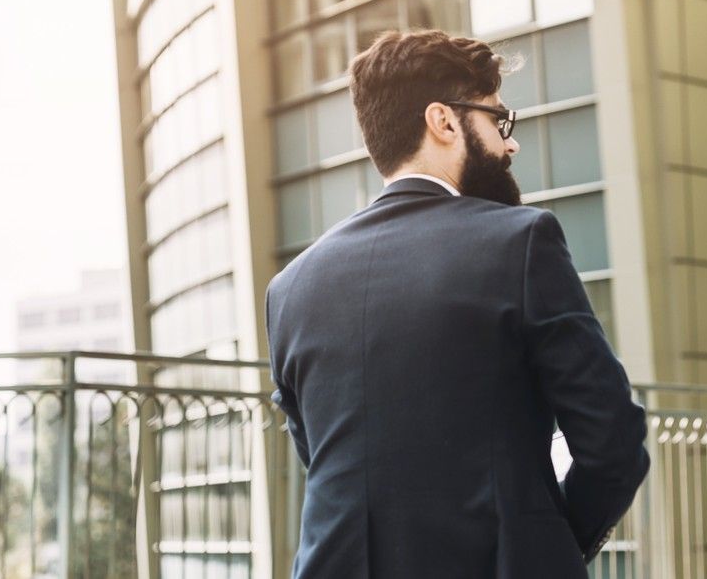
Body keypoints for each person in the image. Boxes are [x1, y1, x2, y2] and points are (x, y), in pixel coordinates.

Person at [265, 29, 649, 579]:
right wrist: (554, 541)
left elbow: (324, 456)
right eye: (498, 120)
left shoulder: (290, 288)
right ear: (444, 121)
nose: (509, 143)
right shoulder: (521, 240)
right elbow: (612, 440)